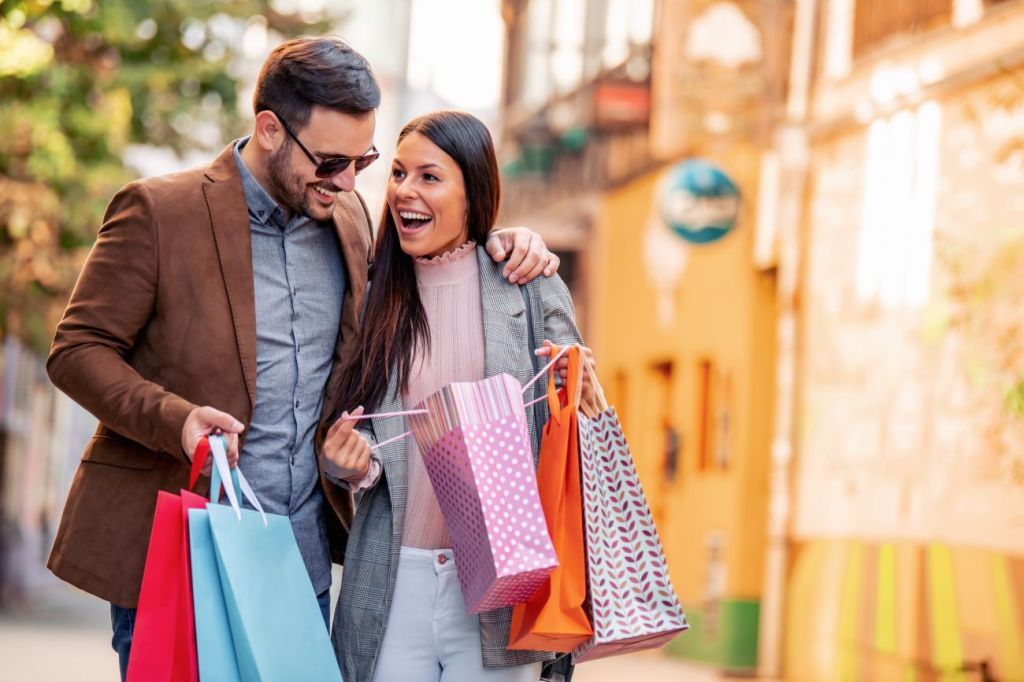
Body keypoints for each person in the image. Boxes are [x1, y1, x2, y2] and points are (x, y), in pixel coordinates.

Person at [45, 38, 559, 681]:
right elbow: (76, 349)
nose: (349, 181)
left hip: (302, 565)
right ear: (269, 129)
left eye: (362, 161)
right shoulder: (159, 211)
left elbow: (436, 264)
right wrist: (176, 419)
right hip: (185, 560)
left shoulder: (345, 221)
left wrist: (505, 243)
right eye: (333, 161)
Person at [319, 110, 597, 682]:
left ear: (473, 191)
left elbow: (579, 420)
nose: (404, 192)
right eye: (397, 174)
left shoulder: (528, 282)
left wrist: (583, 386)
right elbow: (353, 426)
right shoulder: (372, 295)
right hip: (394, 577)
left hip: (504, 582)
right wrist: (349, 462)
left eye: (428, 176)